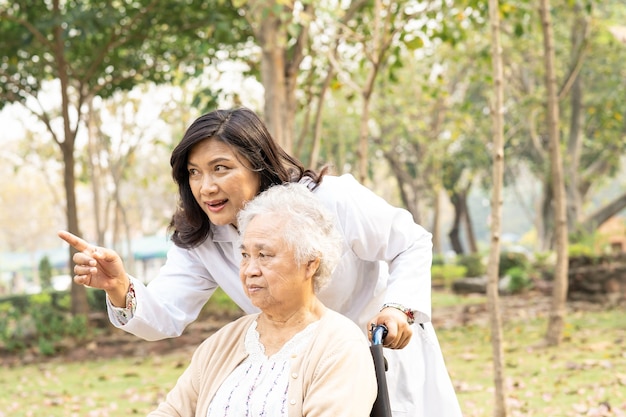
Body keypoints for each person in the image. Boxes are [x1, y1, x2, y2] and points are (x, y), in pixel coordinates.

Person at [58, 107, 463, 416]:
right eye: (194, 173)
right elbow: (165, 314)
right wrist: (119, 286)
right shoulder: (202, 237)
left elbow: (410, 242)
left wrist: (397, 309)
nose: (206, 186)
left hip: (380, 348)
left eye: (221, 168)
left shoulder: (328, 201)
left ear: (258, 165)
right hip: (295, 364)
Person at [148, 183, 377, 416]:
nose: (249, 270)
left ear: (310, 264)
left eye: (264, 255)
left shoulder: (340, 347)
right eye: (245, 255)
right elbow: (173, 411)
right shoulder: (224, 343)